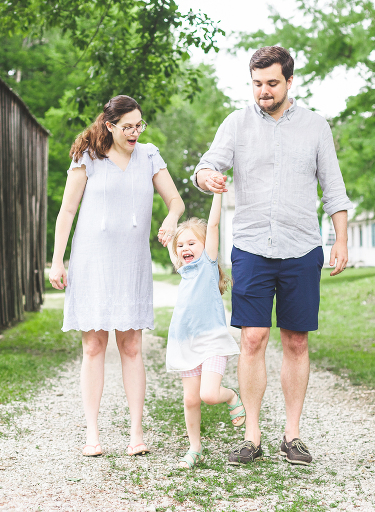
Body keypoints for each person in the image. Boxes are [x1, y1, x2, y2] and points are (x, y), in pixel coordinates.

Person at [192, 46, 351, 466]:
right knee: (253, 338)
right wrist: (207, 176)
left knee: (296, 341)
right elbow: (206, 166)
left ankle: (292, 436)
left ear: (290, 82)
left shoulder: (317, 127)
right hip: (251, 248)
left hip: (302, 247)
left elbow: (333, 189)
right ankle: (252, 435)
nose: (264, 91)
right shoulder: (237, 122)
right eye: (257, 83)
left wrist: (341, 240)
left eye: (272, 83)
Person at [49, 95, 184, 457]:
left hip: (131, 262)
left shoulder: (149, 155)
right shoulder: (88, 157)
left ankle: (136, 434)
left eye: (139, 125)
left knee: (132, 346)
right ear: (109, 125)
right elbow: (67, 212)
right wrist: (57, 261)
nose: (135, 132)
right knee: (94, 346)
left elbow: (176, 201)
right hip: (92, 261)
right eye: (128, 127)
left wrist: (171, 219)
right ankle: (92, 435)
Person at [164, 193, 246, 468]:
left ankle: (232, 395)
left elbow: (212, 226)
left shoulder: (207, 266)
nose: (186, 248)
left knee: (209, 395)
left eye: (192, 243)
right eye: (181, 245)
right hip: (186, 345)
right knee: (190, 399)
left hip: (211, 342)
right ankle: (195, 447)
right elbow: (171, 241)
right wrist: (169, 230)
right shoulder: (183, 269)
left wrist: (218, 195)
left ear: (204, 246)